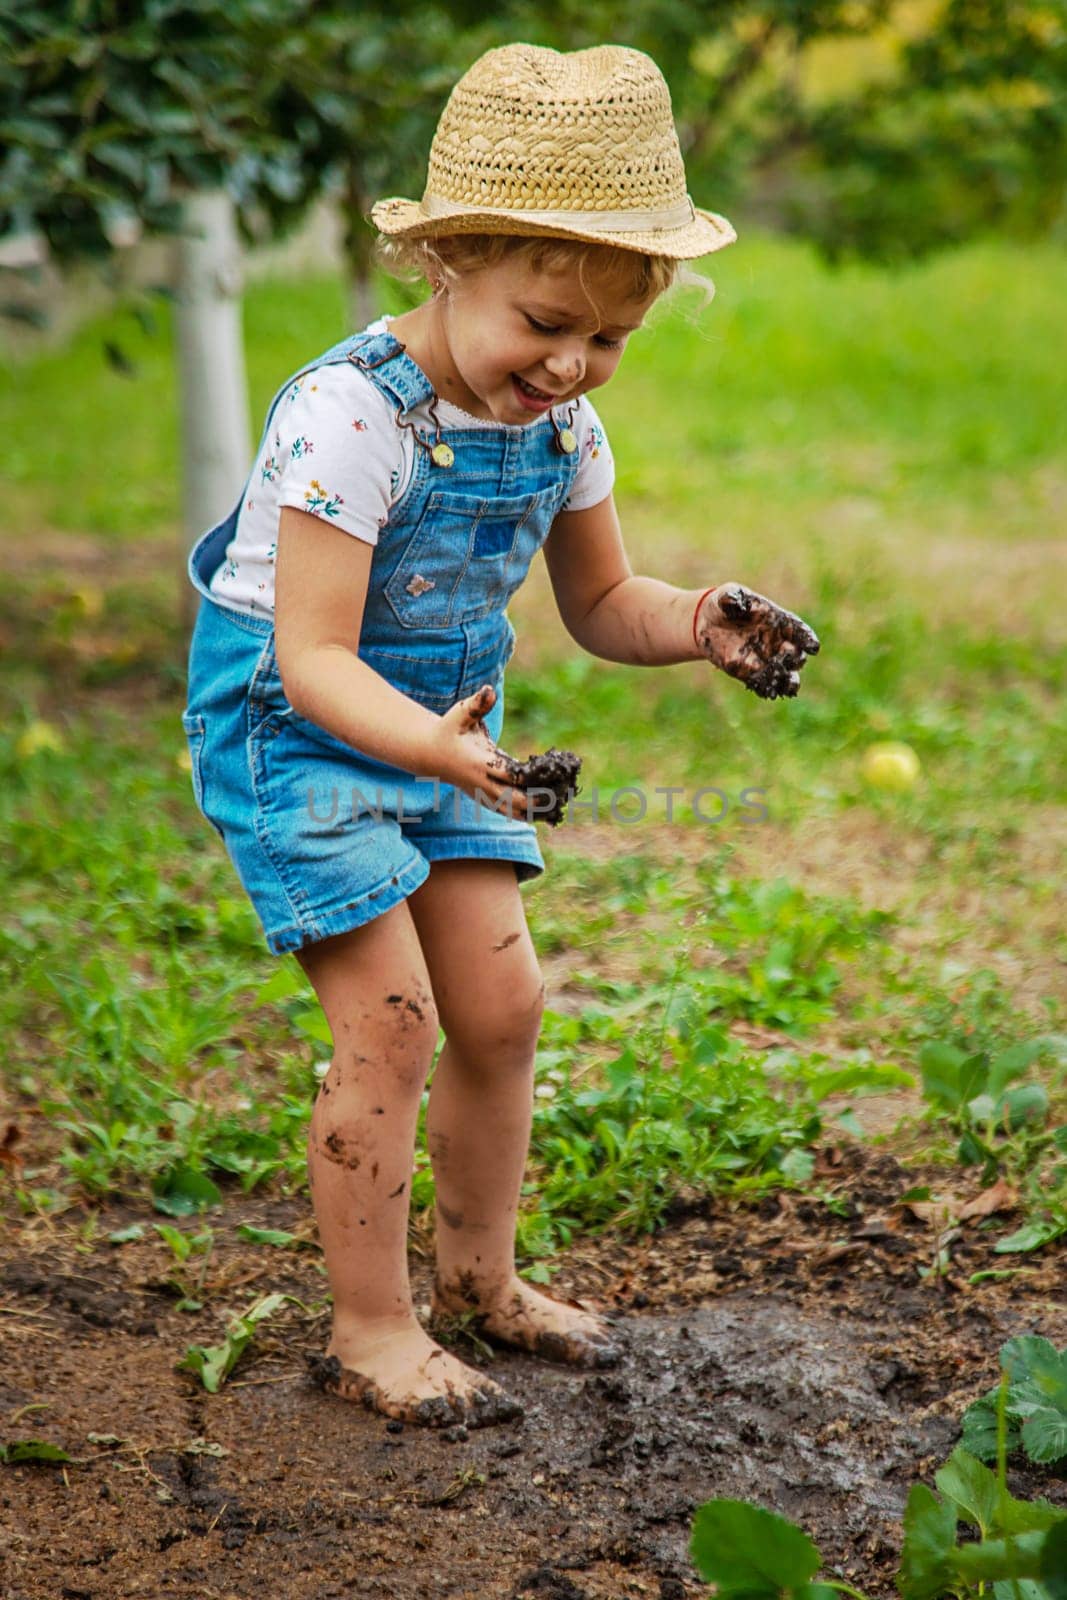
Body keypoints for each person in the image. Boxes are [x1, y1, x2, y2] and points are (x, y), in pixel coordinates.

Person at [182, 42, 819, 1429]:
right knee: (395, 1022)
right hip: (297, 726)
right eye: (546, 321)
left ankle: (483, 1282)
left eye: (610, 340)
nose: (574, 364)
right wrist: (433, 749)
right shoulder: (350, 418)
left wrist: (699, 616)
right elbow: (309, 659)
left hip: (452, 735)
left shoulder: (561, 426)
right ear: (450, 260)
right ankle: (371, 1327)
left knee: (503, 1008)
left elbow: (600, 602)